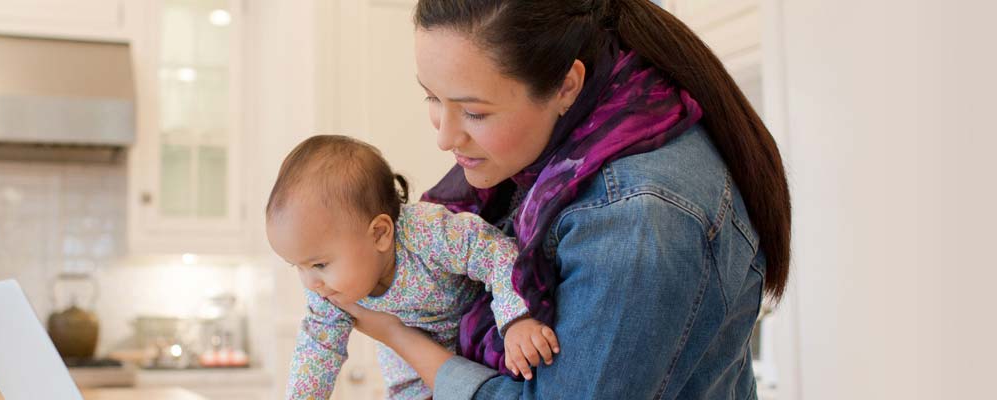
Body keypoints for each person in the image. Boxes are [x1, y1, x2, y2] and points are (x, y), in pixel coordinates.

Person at [330, 0, 792, 398]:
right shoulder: (543, 160)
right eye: (432, 97)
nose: (446, 136)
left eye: (474, 111)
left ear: (567, 86)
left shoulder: (637, 216)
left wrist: (402, 339)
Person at [267, 135, 560, 399]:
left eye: (319, 264)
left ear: (379, 233)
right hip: (414, 389)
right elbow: (317, 350)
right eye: (299, 267)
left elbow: (494, 251)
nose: (310, 282)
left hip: (480, 362)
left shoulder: (426, 232)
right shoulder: (330, 292)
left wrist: (515, 320)